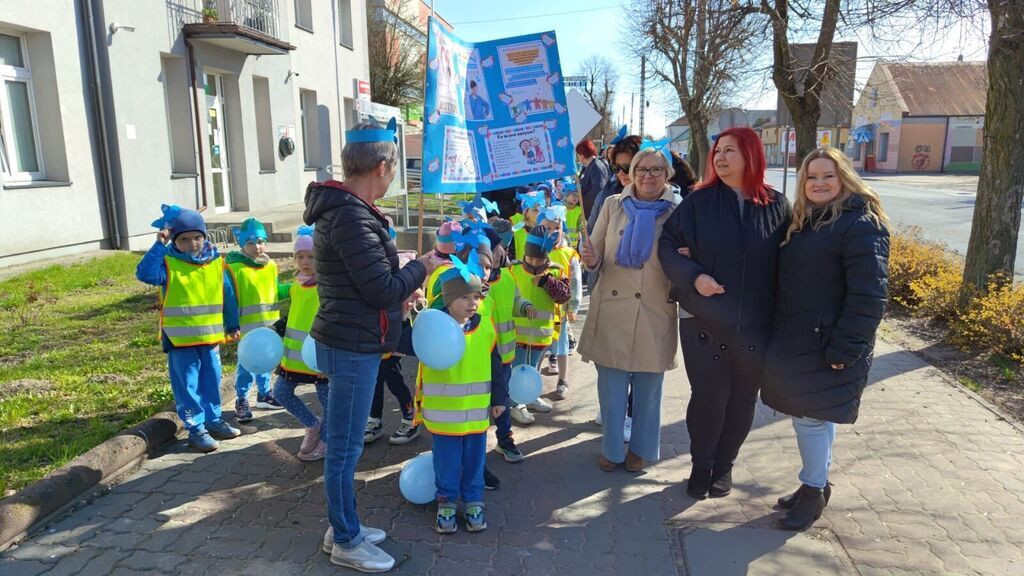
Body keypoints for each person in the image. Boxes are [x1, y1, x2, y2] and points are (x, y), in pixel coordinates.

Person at [304, 120, 444, 573]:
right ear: (382, 167)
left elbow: (370, 285)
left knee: (346, 447)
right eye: (393, 170)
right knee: (344, 450)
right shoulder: (349, 215)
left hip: (353, 340)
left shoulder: (351, 211)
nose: (392, 178)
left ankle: (341, 525)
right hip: (351, 347)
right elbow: (381, 290)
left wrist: (406, 285)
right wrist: (420, 269)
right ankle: (345, 539)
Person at [657, 126, 792, 500]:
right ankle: (701, 466)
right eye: (717, 150)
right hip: (704, 319)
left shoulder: (776, 205)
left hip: (755, 323)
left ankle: (725, 466)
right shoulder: (699, 202)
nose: (720, 157)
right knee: (709, 396)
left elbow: (791, 260)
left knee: (743, 397)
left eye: (730, 150)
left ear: (751, 155)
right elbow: (668, 245)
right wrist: (693, 276)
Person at [761, 147, 890, 530]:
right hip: (802, 338)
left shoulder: (861, 224)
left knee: (810, 419)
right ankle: (814, 484)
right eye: (811, 177)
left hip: (829, 343)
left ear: (844, 179)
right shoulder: (809, 220)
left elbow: (869, 296)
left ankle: (813, 489)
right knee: (816, 415)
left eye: (827, 176)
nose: (819, 183)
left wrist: (846, 348)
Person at [578, 148, 680, 473]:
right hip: (612, 306)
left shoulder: (677, 211)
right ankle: (611, 448)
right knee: (611, 386)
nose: (648, 176)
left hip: (655, 307)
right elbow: (595, 249)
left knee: (649, 388)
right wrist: (589, 258)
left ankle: (641, 449)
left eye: (656, 170)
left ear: (667, 175)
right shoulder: (613, 205)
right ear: (632, 173)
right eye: (641, 170)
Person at [414, 249, 508, 534]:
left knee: (475, 460)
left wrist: (500, 399)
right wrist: (410, 313)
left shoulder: (485, 328)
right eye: (465, 297)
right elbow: (411, 345)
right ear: (447, 299)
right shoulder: (432, 327)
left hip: (477, 415)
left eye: (477, 297)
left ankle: (473, 501)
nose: (472, 303)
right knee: (447, 461)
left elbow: (496, 363)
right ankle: (446, 502)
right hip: (444, 418)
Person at [135, 205, 241, 452]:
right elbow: (145, 274)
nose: (192, 243)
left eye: (197, 237)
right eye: (184, 239)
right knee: (188, 385)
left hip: (210, 337)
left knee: (211, 381)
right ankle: (196, 429)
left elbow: (228, 295)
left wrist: (233, 324)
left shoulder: (217, 263)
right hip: (180, 340)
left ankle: (214, 420)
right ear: (174, 240)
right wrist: (159, 246)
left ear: (205, 237)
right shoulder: (168, 264)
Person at [271, 226, 329, 461]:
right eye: (300, 257)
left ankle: (327, 440)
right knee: (281, 392)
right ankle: (312, 425)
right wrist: (277, 328)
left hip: (319, 359)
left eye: (311, 257)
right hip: (293, 359)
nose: (305, 262)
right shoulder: (296, 286)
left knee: (329, 403)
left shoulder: (326, 288)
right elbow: (294, 315)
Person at [508, 225, 571, 424]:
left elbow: (564, 296)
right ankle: (517, 403)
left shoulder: (556, 271)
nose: (534, 263)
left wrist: (547, 283)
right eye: (531, 259)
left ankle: (530, 395)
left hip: (541, 332)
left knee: (534, 366)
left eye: (539, 260)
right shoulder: (513, 269)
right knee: (518, 367)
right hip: (516, 333)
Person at [227, 218, 285, 423]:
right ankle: (241, 398)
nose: (256, 246)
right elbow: (230, 299)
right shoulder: (234, 268)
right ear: (242, 243)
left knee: (266, 358)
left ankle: (264, 393)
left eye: (260, 241)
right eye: (251, 242)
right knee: (247, 362)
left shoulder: (270, 266)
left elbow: (276, 290)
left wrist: (295, 288)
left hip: (269, 324)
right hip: (247, 327)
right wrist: (231, 325)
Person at [538, 204, 582, 400]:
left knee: (561, 344)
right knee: (540, 345)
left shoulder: (568, 254)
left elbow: (576, 282)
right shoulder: (536, 250)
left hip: (560, 309)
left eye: (557, 228)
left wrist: (574, 306)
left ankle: (562, 379)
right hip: (540, 308)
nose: (552, 232)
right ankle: (534, 381)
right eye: (547, 228)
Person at [577, 139, 610, 219]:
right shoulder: (590, 165)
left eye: (578, 154)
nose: (578, 157)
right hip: (591, 210)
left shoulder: (596, 166)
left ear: (582, 154)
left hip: (594, 211)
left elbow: (598, 189)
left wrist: (581, 201)